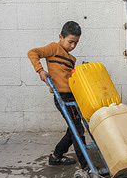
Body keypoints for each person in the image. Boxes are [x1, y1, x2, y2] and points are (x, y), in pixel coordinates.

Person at [28, 21, 88, 168]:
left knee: (73, 128)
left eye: (76, 43)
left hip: (72, 97)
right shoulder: (53, 48)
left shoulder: (71, 59)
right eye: (70, 42)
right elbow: (33, 53)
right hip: (62, 97)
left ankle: (56, 156)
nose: (73, 46)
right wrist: (40, 71)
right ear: (61, 37)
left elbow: (67, 77)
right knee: (77, 130)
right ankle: (87, 166)